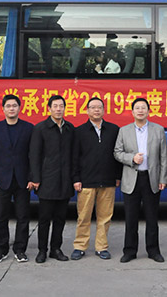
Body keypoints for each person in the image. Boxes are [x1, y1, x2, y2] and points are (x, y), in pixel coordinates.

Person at [114, 97, 167, 263]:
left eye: (143, 108)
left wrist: (163, 178)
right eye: (137, 108)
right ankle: (130, 251)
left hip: (151, 179)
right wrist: (132, 158)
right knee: (131, 218)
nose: (140, 110)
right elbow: (117, 152)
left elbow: (163, 156)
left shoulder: (158, 130)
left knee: (152, 218)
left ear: (148, 111)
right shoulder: (124, 131)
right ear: (132, 112)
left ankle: (153, 250)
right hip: (132, 179)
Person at [70, 97, 122, 261]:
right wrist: (76, 178)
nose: (96, 110)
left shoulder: (113, 130)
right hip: (86, 181)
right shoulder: (79, 131)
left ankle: (102, 247)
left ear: (104, 110)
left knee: (105, 217)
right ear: (87, 111)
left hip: (108, 180)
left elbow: (118, 154)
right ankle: (80, 246)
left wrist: (117, 176)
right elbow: (74, 157)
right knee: (83, 217)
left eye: (99, 107)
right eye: (93, 107)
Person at [0, 94, 34, 264]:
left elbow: (33, 155)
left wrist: (32, 178)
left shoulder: (28, 128)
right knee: (1, 216)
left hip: (23, 180)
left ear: (19, 108)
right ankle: (0, 250)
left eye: (14, 106)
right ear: (3, 109)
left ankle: (20, 250)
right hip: (2, 180)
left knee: (23, 216)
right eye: (8, 106)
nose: (11, 109)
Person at [31, 95, 75, 263]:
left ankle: (56, 249)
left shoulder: (69, 128)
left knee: (60, 219)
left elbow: (73, 156)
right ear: (49, 108)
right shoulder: (41, 128)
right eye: (55, 106)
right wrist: (36, 178)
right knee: (44, 219)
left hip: (65, 181)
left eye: (61, 106)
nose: (58, 109)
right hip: (47, 181)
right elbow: (34, 155)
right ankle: (42, 250)